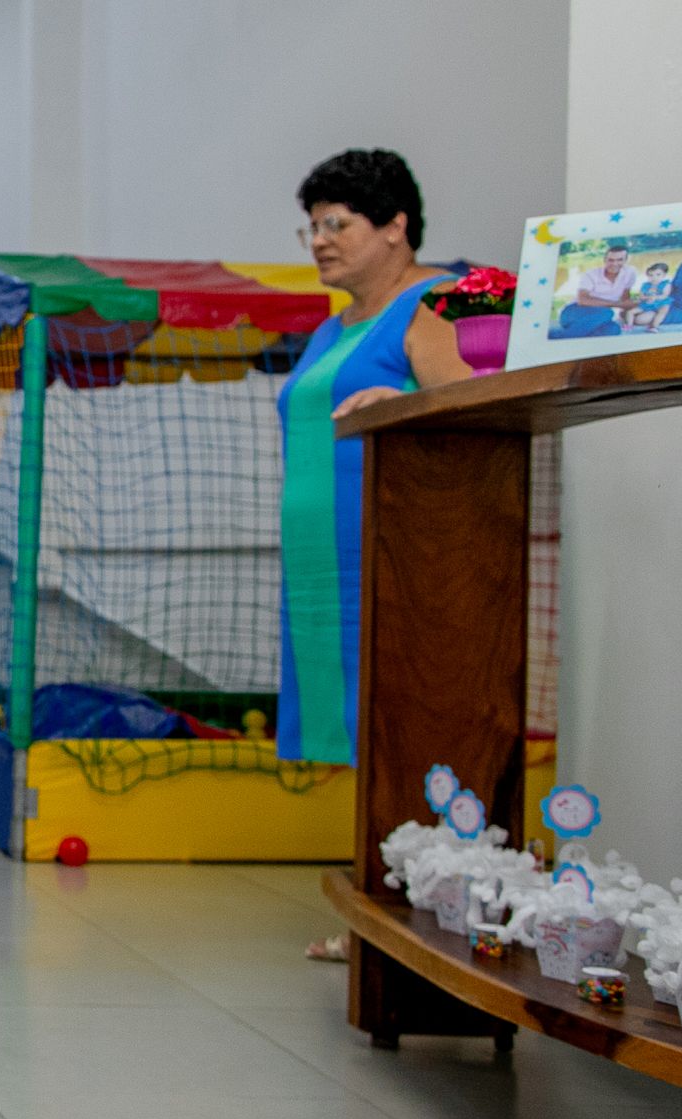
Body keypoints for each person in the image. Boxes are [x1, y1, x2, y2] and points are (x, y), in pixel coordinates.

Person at [281, 149, 471, 963]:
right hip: (320, 569)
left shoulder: (437, 301)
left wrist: (410, 402)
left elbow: (472, 403)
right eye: (312, 226)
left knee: (405, 736)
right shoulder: (333, 324)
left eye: (339, 223)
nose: (320, 241)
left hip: (393, 562)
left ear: (396, 227)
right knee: (365, 746)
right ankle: (379, 920)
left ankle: (419, 926)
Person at [554, 243, 634, 338]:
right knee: (608, 312)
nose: (614, 264)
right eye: (610, 260)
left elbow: (625, 299)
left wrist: (630, 313)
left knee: (614, 329)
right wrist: (617, 304)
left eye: (620, 260)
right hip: (573, 312)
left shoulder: (630, 273)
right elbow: (582, 300)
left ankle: (573, 335)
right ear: (605, 260)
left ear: (626, 260)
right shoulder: (591, 275)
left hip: (597, 318)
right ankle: (562, 337)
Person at [626, 261, 673, 331]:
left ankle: (654, 326)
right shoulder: (645, 285)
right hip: (647, 303)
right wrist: (647, 298)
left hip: (661, 303)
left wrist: (655, 298)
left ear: (664, 275)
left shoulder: (666, 284)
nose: (654, 277)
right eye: (651, 275)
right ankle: (629, 325)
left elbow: (665, 295)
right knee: (630, 312)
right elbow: (641, 296)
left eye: (658, 275)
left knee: (663, 311)